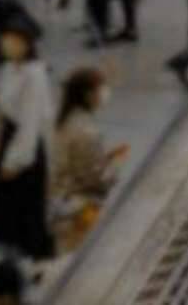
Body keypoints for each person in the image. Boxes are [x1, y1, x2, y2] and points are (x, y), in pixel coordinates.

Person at [0, 9, 54, 260]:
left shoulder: (35, 75)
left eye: (14, 40)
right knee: (3, 204)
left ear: (26, 44)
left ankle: (28, 256)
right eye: (6, 38)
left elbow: (30, 121)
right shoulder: (10, 68)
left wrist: (16, 161)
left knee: (22, 205)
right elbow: (9, 104)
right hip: (8, 136)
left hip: (23, 147)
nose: (7, 44)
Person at [51, 68, 127, 251]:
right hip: (79, 211)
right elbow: (97, 180)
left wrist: (103, 158)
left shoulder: (64, 122)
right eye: (101, 89)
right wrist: (116, 164)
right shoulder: (86, 131)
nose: (105, 94)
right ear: (88, 95)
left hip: (58, 203)